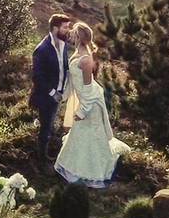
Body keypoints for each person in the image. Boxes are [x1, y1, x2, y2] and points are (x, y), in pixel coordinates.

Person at [54, 21, 131, 188]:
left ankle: (93, 171)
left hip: (92, 104)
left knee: (89, 136)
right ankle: (75, 169)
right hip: (84, 100)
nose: (70, 36)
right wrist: (64, 95)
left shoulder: (86, 60)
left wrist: (82, 111)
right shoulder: (77, 53)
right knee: (79, 135)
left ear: (79, 37)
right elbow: (73, 80)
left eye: (73, 34)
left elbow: (89, 90)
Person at [29, 13, 72, 163]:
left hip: (58, 94)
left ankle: (46, 152)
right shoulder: (41, 49)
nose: (68, 30)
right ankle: (42, 161)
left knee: (50, 125)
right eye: (65, 27)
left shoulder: (63, 44)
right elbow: (37, 77)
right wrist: (53, 93)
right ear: (55, 28)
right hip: (45, 97)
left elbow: (63, 68)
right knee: (45, 128)